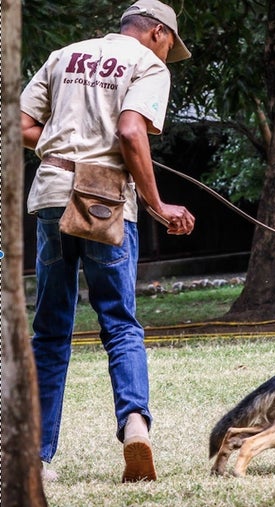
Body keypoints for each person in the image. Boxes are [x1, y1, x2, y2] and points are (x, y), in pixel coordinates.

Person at [21, 0, 195, 483]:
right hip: (108, 203)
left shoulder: (63, 55)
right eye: (169, 45)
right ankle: (136, 425)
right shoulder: (147, 65)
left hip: (54, 195)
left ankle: (33, 456)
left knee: (51, 330)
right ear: (158, 34)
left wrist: (60, 148)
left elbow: (17, 123)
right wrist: (161, 206)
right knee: (120, 323)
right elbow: (130, 130)